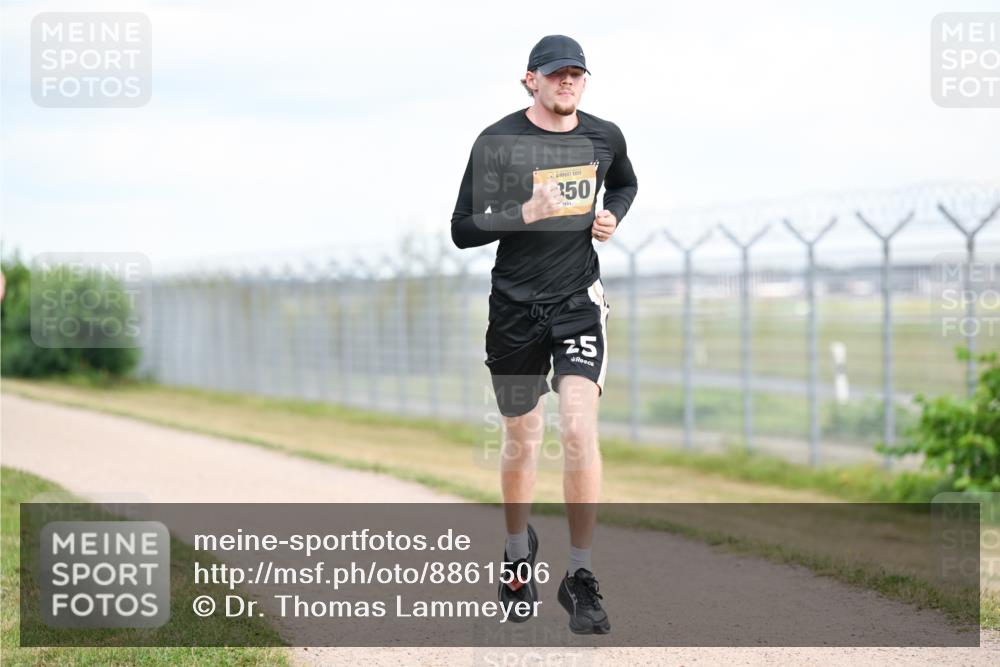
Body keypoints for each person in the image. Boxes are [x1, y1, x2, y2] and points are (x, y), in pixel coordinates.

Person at [450, 34, 638, 635]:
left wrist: (612, 215)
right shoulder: (499, 141)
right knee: (522, 438)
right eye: (556, 74)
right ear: (530, 80)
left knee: (579, 428)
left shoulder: (605, 137)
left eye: (577, 75)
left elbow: (626, 183)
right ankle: (514, 554)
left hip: (578, 302)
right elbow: (461, 229)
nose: (567, 83)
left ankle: (579, 574)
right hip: (513, 308)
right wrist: (523, 214)